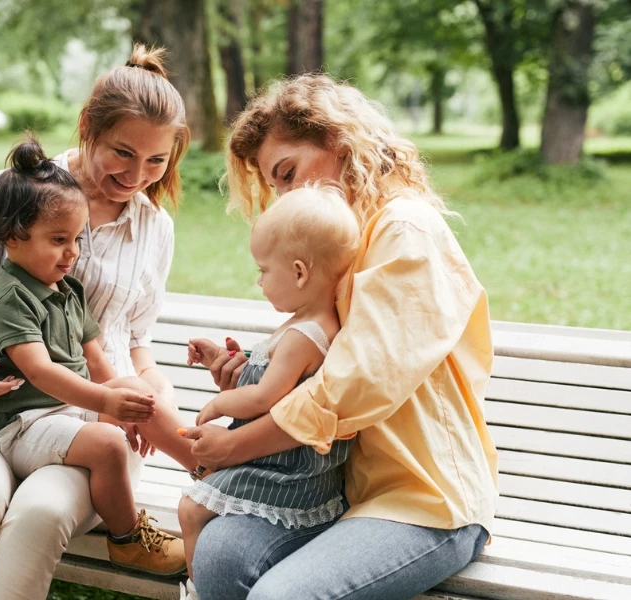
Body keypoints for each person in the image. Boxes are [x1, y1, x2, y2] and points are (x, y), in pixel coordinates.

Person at [182, 73, 499, 600]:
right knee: (218, 558)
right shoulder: (342, 243)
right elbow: (312, 352)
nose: (287, 196)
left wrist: (235, 445)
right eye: (277, 186)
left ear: (339, 139)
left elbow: (355, 383)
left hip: (425, 501)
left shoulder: (405, 230)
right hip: (339, 494)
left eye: (289, 173)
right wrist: (249, 370)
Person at [0, 44, 193, 600]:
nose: (137, 175)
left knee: (41, 513)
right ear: (88, 126)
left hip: (93, 427)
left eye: (157, 161)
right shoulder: (13, 196)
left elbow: (135, 341)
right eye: (122, 152)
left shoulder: (154, 227)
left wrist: (150, 392)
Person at [0, 136, 193, 576]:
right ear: (14, 237)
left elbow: (99, 364)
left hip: (65, 410)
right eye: (59, 239)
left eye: (76, 238)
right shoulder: (11, 299)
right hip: (21, 424)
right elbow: (41, 371)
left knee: (136, 388)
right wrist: (107, 407)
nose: (73, 252)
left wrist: (125, 399)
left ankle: (207, 470)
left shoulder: (68, 288)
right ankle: (128, 539)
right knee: (109, 443)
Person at [177, 185, 360, 599]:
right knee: (193, 509)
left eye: (263, 270)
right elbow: (269, 379)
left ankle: (197, 592)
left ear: (299, 272)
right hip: (273, 456)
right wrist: (220, 361)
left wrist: (218, 403)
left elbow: (265, 398)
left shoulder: (305, 334)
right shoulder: (306, 323)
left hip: (283, 470)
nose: (258, 281)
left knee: (191, 510)